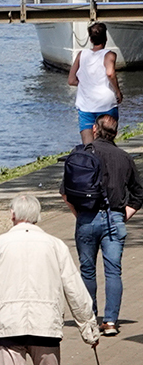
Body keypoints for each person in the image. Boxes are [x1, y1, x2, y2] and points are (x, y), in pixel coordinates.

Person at [0, 193, 99, 365]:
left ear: (12, 214)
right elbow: (75, 288)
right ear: (38, 216)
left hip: (8, 325)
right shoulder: (56, 245)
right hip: (45, 325)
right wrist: (88, 329)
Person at [73, 113, 143, 335]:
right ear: (116, 133)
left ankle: (90, 319)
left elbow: (66, 191)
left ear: (94, 130)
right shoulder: (124, 158)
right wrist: (123, 215)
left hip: (86, 217)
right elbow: (138, 194)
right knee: (113, 271)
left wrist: (79, 215)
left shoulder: (81, 154)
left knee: (87, 270)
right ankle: (111, 322)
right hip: (115, 217)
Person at [71, 20, 121, 141]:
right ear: (106, 38)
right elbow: (110, 73)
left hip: (85, 106)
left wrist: (85, 83)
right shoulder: (109, 55)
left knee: (88, 144)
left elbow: (71, 80)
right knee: (106, 142)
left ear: (90, 39)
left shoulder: (81, 55)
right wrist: (117, 91)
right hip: (106, 104)